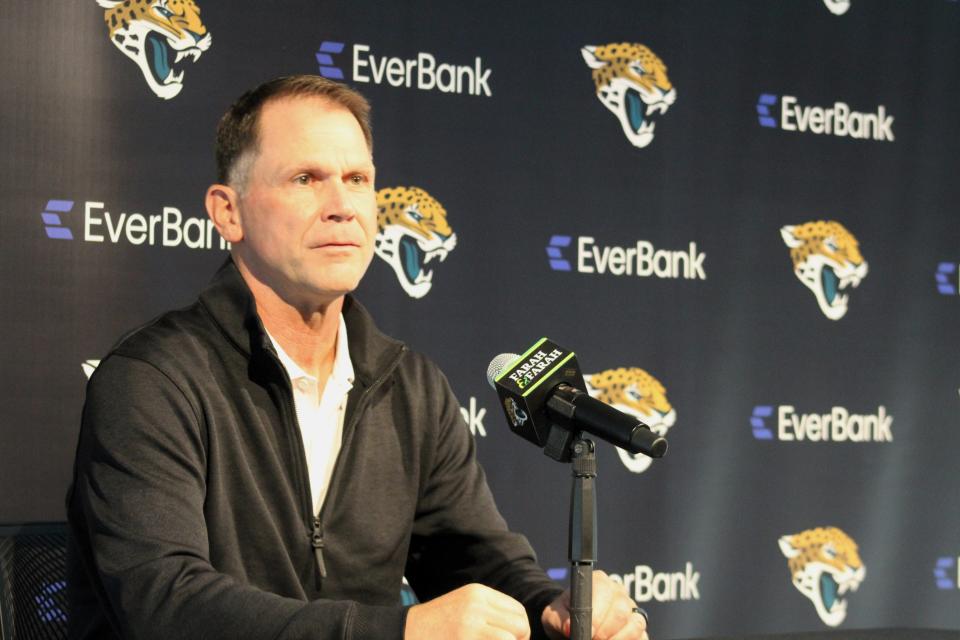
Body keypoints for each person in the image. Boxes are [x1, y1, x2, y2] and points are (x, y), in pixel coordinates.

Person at [66, 75, 649, 640]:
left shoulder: (411, 388)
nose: (343, 205)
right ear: (228, 212)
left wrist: (551, 607)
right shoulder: (154, 380)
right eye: (305, 178)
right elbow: (165, 603)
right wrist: (398, 630)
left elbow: (471, 557)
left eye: (358, 178)